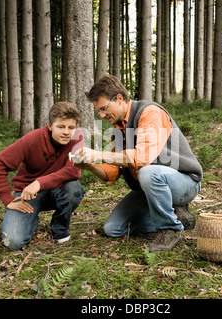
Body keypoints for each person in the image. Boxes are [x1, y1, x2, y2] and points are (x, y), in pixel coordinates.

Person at [74, 75, 202, 253]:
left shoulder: (149, 112)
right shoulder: (118, 129)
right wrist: (90, 165)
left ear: (119, 99)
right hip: (149, 187)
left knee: (148, 172)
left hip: (184, 182)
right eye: (99, 111)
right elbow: (112, 173)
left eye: (104, 109)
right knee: (113, 229)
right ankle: (176, 216)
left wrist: (98, 153)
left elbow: (143, 158)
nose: (102, 115)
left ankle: (170, 229)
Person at [0, 102, 85, 250]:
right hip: (28, 194)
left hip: (57, 191)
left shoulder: (76, 137)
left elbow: (73, 171)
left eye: (71, 127)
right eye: (61, 127)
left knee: (74, 188)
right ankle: (30, 220)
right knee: (13, 242)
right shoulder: (32, 139)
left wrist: (39, 182)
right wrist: (7, 198)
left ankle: (59, 229)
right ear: (50, 126)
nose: (67, 132)